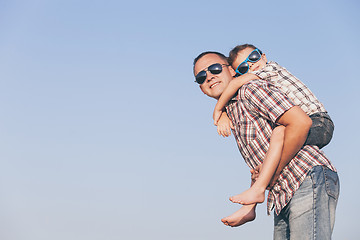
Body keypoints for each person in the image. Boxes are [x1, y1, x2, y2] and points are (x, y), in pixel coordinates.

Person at [193, 51, 339, 239]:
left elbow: (301, 123)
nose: (209, 77)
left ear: (232, 70)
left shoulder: (250, 90)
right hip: (281, 193)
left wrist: (270, 177)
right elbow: (263, 160)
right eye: (201, 76)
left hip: (304, 176)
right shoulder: (234, 110)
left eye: (214, 69)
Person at [211, 44, 334, 206]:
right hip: (314, 122)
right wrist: (225, 113)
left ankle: (260, 187)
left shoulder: (269, 70)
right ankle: (251, 204)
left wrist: (218, 110)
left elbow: (235, 84)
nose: (251, 65)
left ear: (263, 56)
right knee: (267, 157)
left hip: (318, 121)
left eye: (253, 58)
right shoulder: (256, 79)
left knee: (278, 134)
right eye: (243, 67)